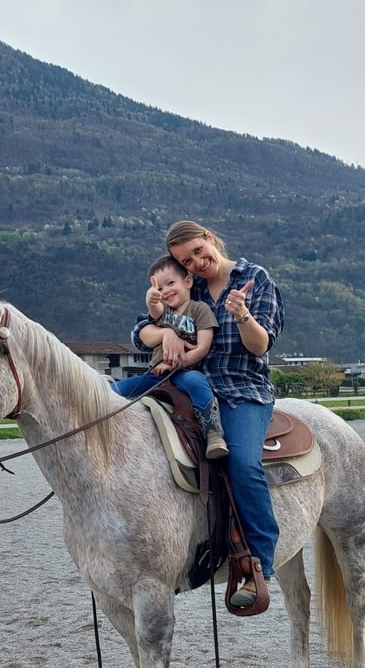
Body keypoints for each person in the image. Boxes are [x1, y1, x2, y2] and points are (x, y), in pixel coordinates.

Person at [131, 220, 284, 609]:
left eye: (199, 252)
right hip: (184, 383)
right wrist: (163, 332)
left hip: (240, 388)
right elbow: (140, 331)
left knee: (243, 463)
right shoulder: (185, 285)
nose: (197, 263)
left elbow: (259, 345)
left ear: (211, 239)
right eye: (187, 260)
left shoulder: (255, 278)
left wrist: (242, 314)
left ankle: (258, 562)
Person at [112, 254, 229, 460]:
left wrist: (175, 363)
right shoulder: (164, 311)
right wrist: (152, 300)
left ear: (188, 281)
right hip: (157, 374)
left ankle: (213, 433)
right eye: (160, 288)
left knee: (197, 382)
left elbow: (202, 347)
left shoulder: (199, 310)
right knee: (114, 389)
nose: (166, 291)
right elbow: (155, 310)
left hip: (186, 371)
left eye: (171, 283)